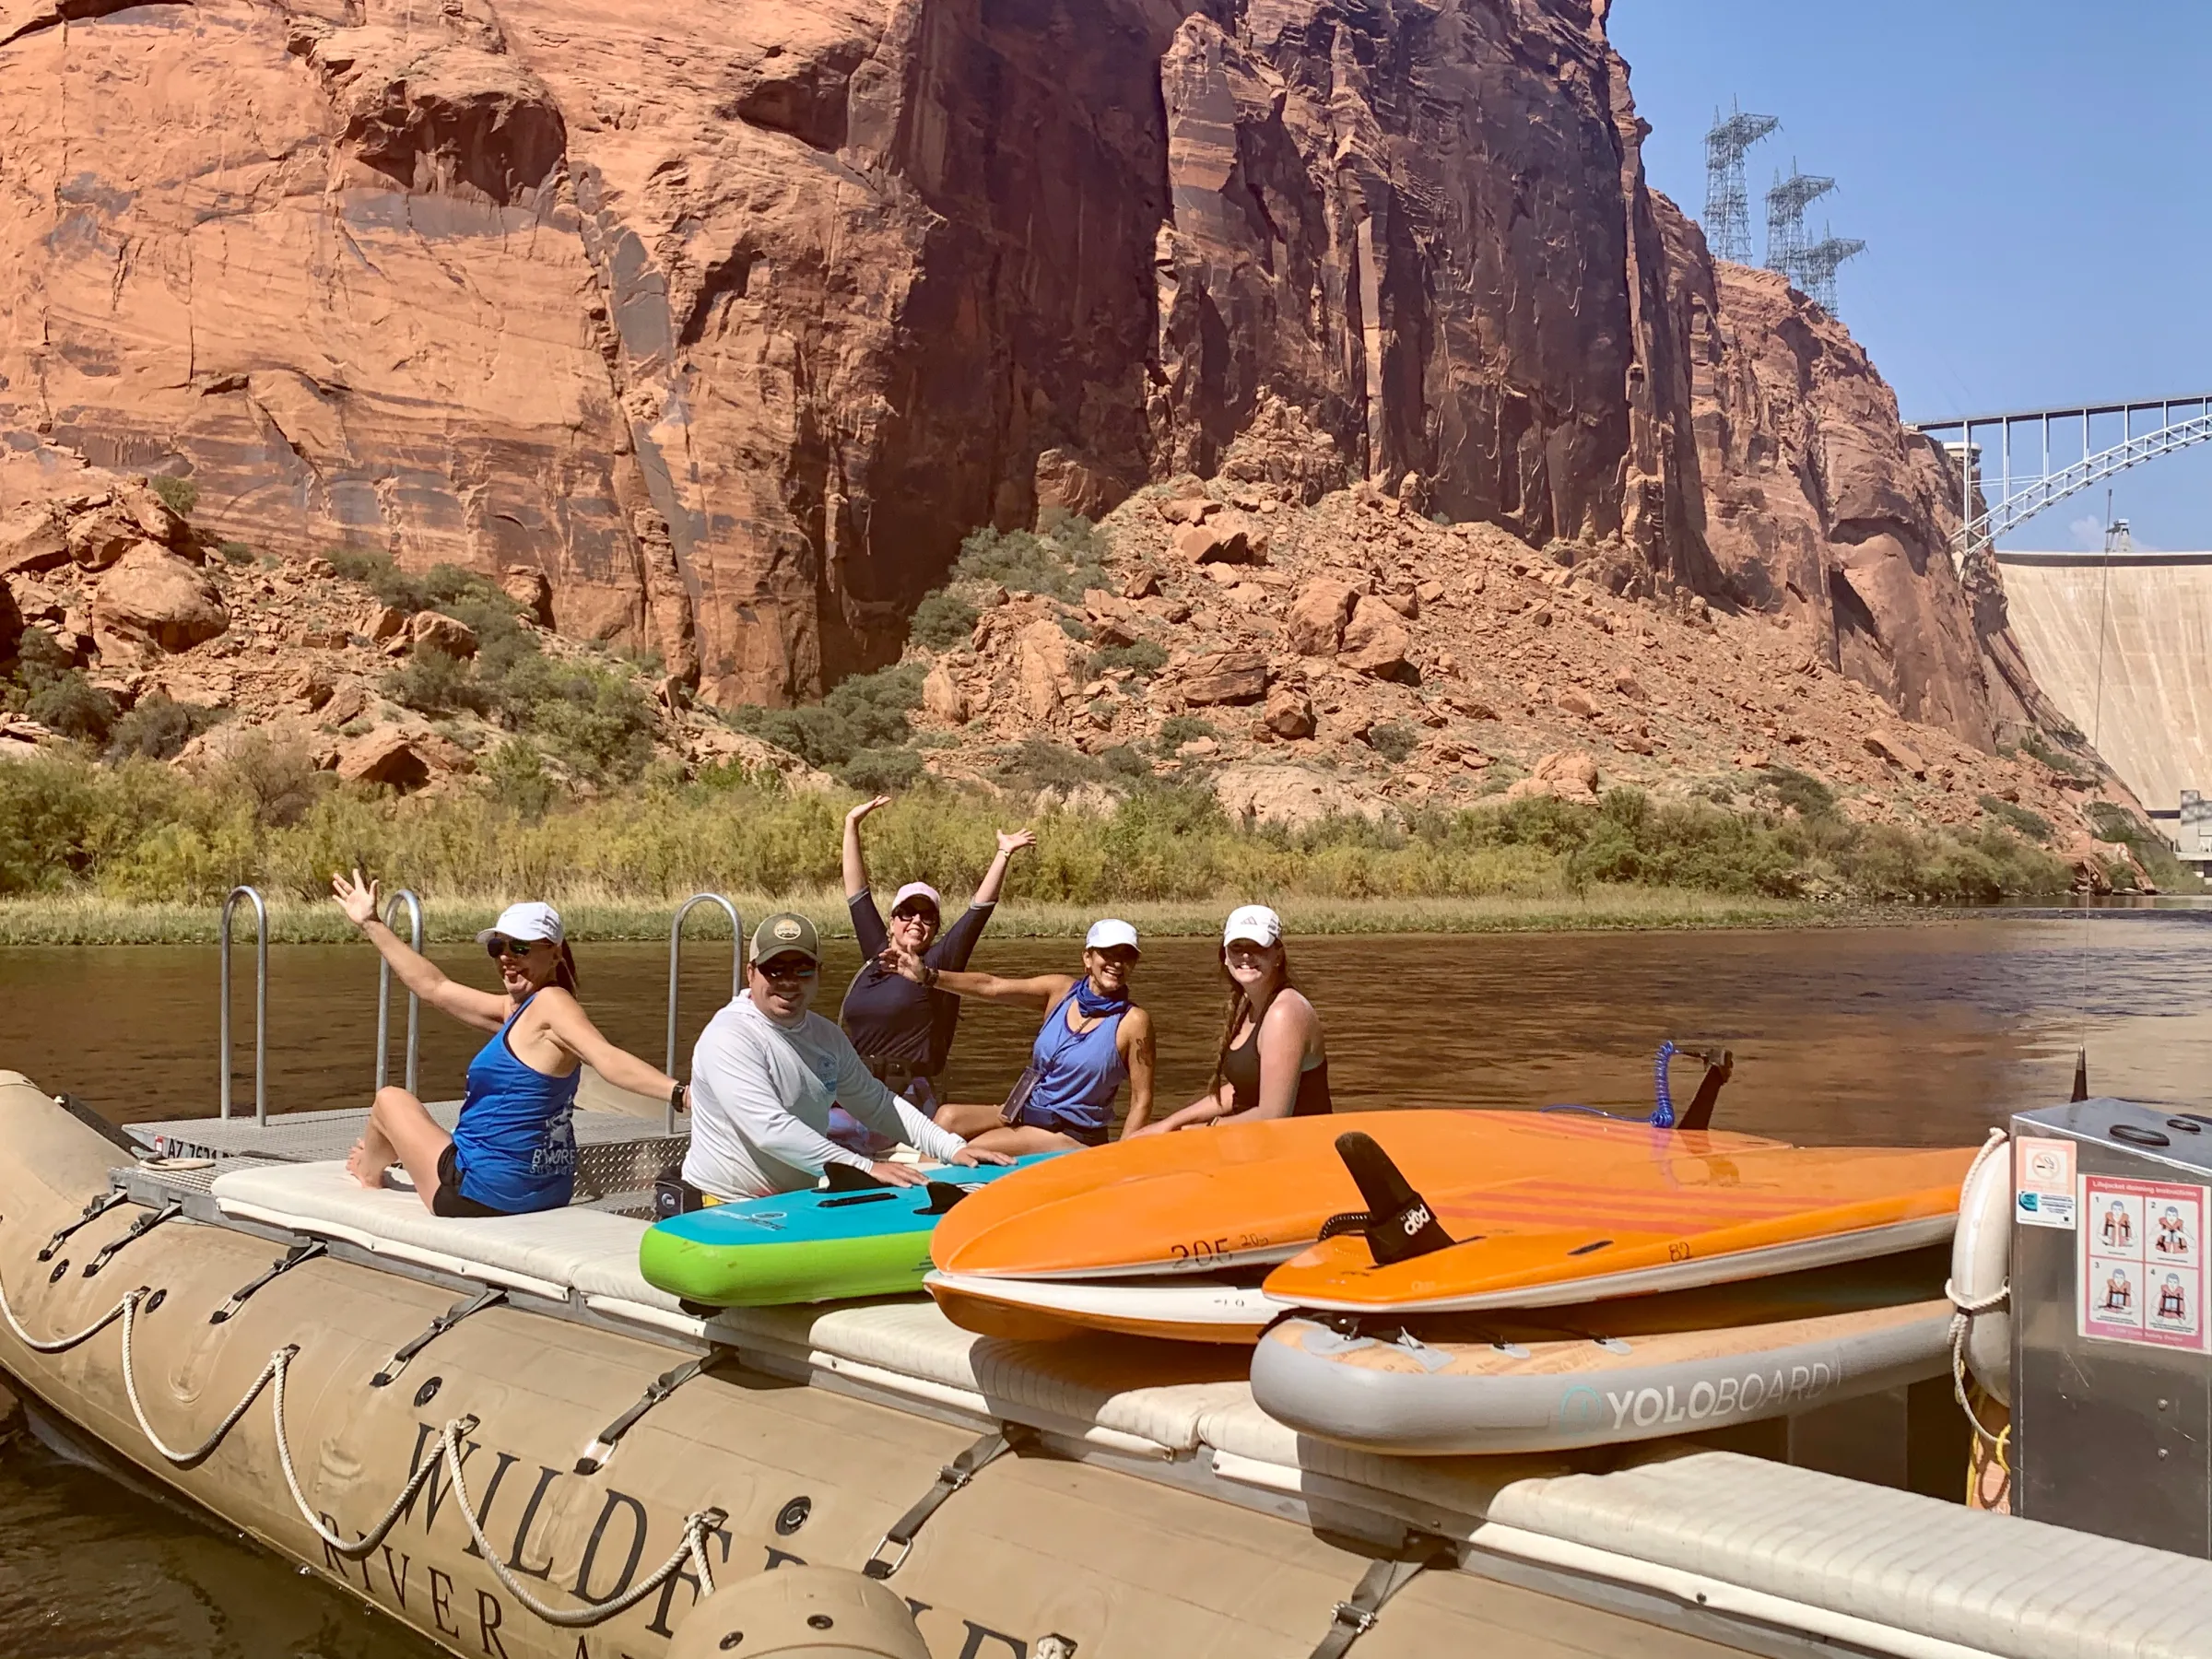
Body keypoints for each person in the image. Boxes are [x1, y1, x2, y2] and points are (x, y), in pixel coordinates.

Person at [332, 871, 688, 1218]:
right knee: (432, 1126)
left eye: (520, 947)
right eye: (497, 947)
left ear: (555, 953)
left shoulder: (551, 1005)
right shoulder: (519, 1011)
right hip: (547, 1189)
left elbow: (605, 1057)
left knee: (390, 1100)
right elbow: (433, 987)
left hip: (482, 1192)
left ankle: (367, 1172)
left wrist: (679, 1094)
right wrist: (371, 923)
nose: (506, 957)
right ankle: (381, 1159)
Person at [684, 912, 1013, 1199]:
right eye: (774, 969)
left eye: (801, 970)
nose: (787, 981)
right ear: (751, 972)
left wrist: (952, 1148)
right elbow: (769, 1129)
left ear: (818, 974)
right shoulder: (729, 1035)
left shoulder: (826, 1036)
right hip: (723, 1204)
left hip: (795, 1202)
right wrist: (866, 1166)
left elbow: (878, 1104)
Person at [829, 795, 1036, 1151]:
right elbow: (856, 892)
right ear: (892, 920)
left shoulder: (940, 964)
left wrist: (1003, 854)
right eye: (907, 913)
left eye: (927, 918)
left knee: (819, 1128)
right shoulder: (876, 954)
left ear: (935, 928)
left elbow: (978, 911)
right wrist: (851, 825)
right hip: (856, 1088)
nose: (916, 921)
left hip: (906, 1097)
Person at [886, 919, 1154, 1154]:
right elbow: (991, 986)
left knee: (969, 1149)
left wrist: (1120, 1159)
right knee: (945, 1119)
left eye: (1127, 956)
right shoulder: (1060, 991)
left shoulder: (1133, 1022)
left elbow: (1141, 1100)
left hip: (1070, 1133)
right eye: (1108, 953)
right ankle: (915, 1190)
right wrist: (927, 976)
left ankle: (923, 1198)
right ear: (1088, 957)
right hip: (1024, 1110)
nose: (1117, 963)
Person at [1125, 904, 1330, 1135]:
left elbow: (1273, 1115)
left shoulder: (1285, 1013)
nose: (1245, 955)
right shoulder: (1248, 1005)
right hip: (1256, 1143)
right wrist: (1169, 1123)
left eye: (1257, 947)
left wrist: (1201, 1130)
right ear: (1225, 956)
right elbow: (1241, 1091)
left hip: (1296, 1151)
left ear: (1278, 956)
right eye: (1236, 947)